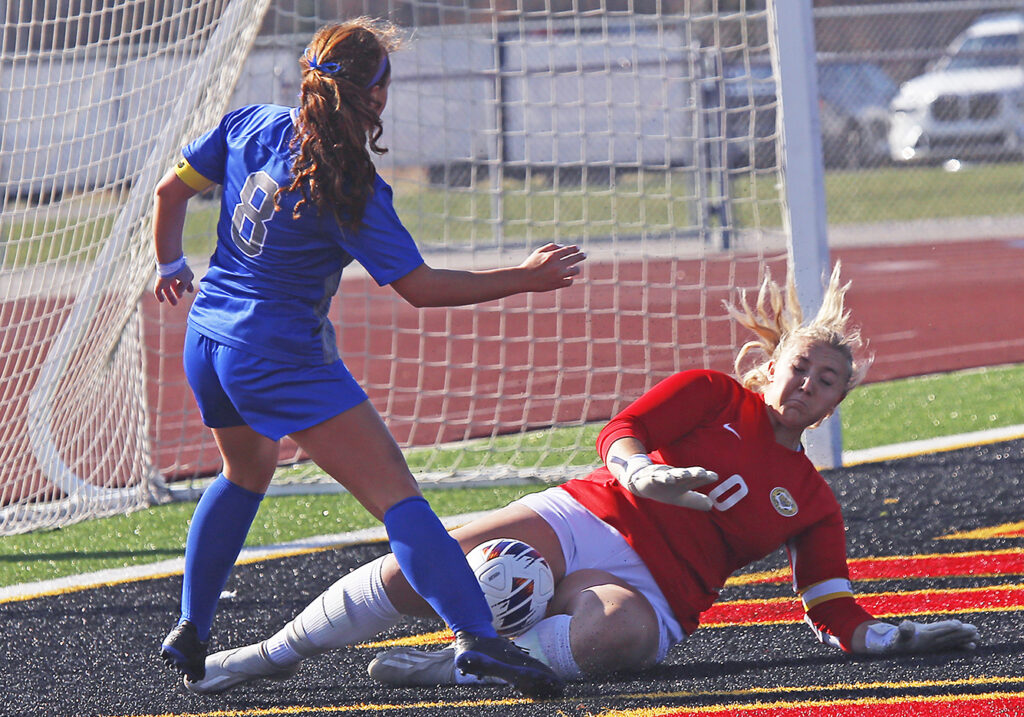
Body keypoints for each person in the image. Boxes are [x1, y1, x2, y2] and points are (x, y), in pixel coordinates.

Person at [182, 262, 979, 697]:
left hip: (662, 592)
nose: (809, 383)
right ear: (772, 365)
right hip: (587, 514)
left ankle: (462, 662)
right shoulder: (712, 392)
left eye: (827, 380)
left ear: (840, 400)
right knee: (436, 560)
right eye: (801, 365)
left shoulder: (812, 497)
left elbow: (830, 603)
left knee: (617, 641)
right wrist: (640, 474)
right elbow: (619, 431)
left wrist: (891, 637)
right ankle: (272, 651)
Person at [152, 17, 584, 698]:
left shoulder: (248, 123)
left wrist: (171, 260)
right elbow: (420, 288)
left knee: (243, 473)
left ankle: (191, 627)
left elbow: (168, 191)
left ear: (308, 76)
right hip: (279, 356)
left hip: (207, 342)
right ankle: (477, 637)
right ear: (376, 96)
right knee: (398, 499)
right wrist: (523, 277)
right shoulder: (349, 185)